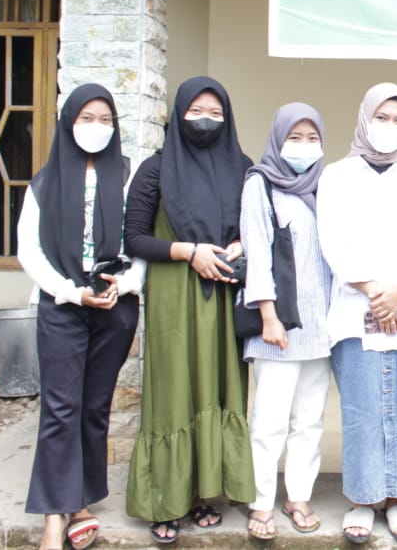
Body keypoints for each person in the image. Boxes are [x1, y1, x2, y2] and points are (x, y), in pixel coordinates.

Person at [124, 76, 255, 544]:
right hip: (174, 297)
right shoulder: (155, 170)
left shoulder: (243, 168)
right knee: (174, 391)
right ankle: (165, 498)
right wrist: (187, 251)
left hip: (222, 297)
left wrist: (240, 243)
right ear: (178, 115)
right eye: (196, 111)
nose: (206, 121)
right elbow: (134, 237)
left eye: (216, 114)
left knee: (217, 389)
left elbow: (254, 227)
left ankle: (204, 494)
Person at [18, 83, 144, 550]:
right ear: (69, 123)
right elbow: (29, 251)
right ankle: (56, 513)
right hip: (61, 307)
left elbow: (139, 240)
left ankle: (82, 500)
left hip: (114, 307)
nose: (97, 127)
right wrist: (71, 292)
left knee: (93, 407)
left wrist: (125, 285)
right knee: (60, 408)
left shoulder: (127, 177)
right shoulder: (44, 183)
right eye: (87, 118)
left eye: (106, 119)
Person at [318, 83, 397, 546]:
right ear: (364, 117)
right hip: (357, 307)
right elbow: (332, 240)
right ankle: (363, 497)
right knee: (362, 410)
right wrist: (375, 292)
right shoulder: (336, 175)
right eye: (382, 117)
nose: (390, 127)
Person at [241, 102, 331, 541]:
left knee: (310, 418)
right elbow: (257, 251)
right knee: (269, 420)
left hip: (320, 326)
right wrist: (268, 316)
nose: (304, 146)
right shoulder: (260, 184)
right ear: (278, 140)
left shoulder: (324, 187)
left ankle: (298, 495)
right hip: (277, 326)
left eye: (312, 138)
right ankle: (261, 500)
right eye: (294, 138)